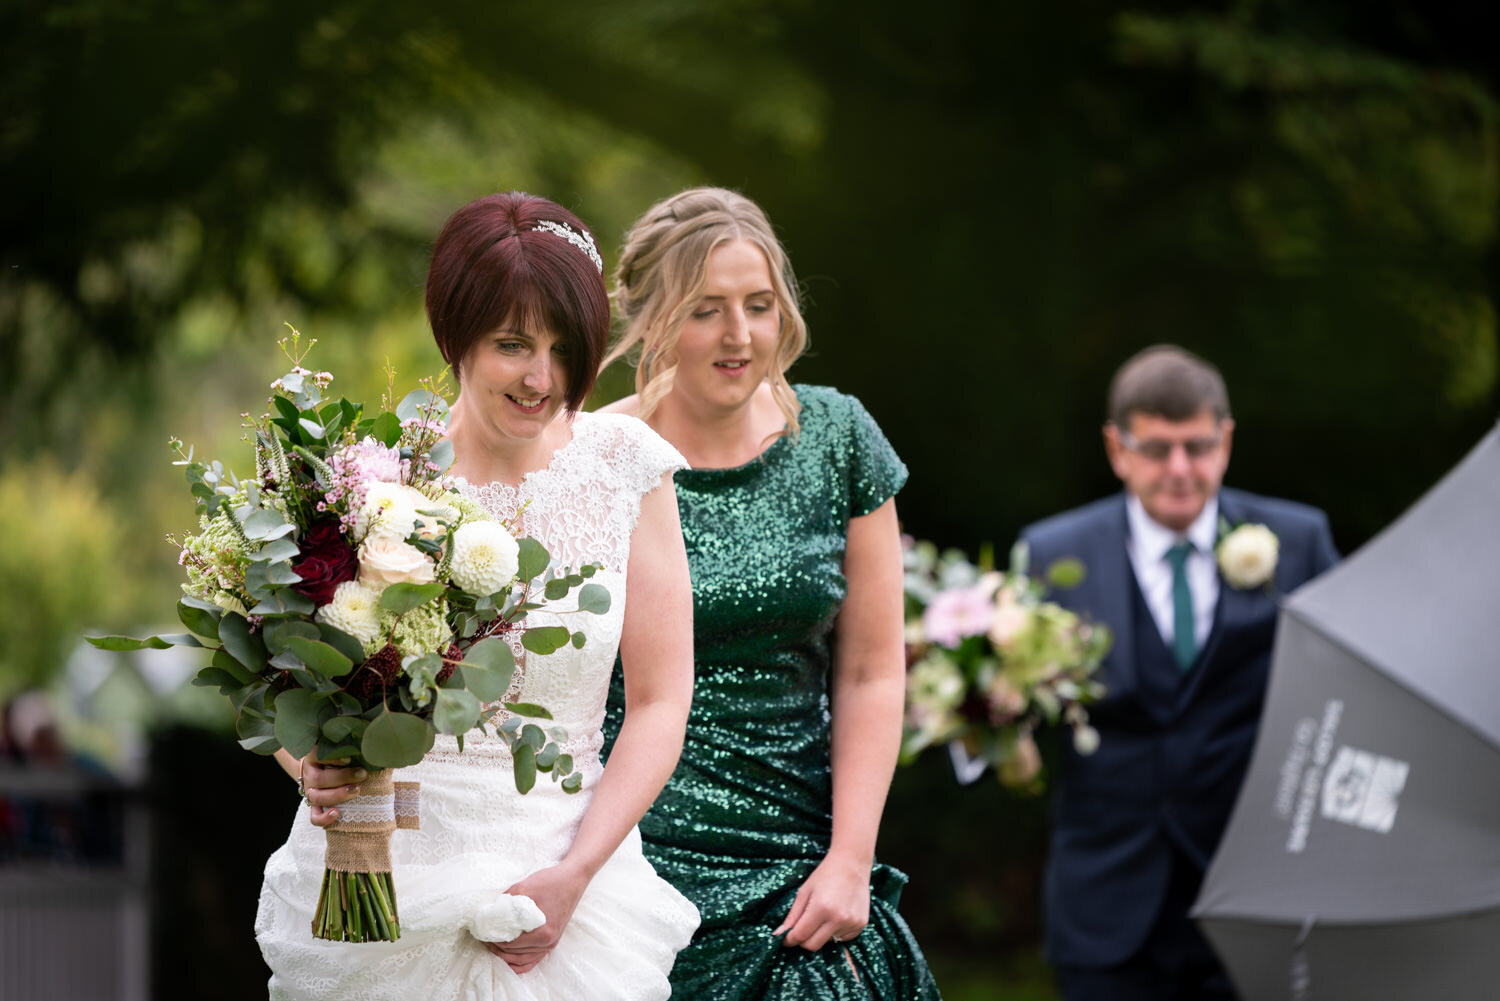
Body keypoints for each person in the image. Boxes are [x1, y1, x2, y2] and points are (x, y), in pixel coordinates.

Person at [254, 192, 700, 1000]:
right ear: (454, 334)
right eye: (513, 344)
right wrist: (309, 763)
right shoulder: (370, 478)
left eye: (566, 349)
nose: (543, 378)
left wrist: (576, 872)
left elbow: (663, 702)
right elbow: (281, 671)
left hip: (567, 873)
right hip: (395, 874)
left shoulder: (627, 466)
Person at [599, 187, 941, 1000]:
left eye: (759, 305)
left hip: (801, 855)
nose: (740, 335)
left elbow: (870, 671)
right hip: (629, 857)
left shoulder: (839, 438)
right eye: (706, 309)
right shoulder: (598, 455)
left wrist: (851, 860)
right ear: (649, 317)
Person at [1021, 345, 1340, 1000]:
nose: (1179, 469)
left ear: (1225, 439)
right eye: (1156, 448)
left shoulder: (1299, 540)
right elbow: (1009, 701)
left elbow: (1344, 691)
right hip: (1105, 905)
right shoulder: (1053, 552)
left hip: (1256, 894)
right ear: (1117, 447)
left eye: (1197, 447)